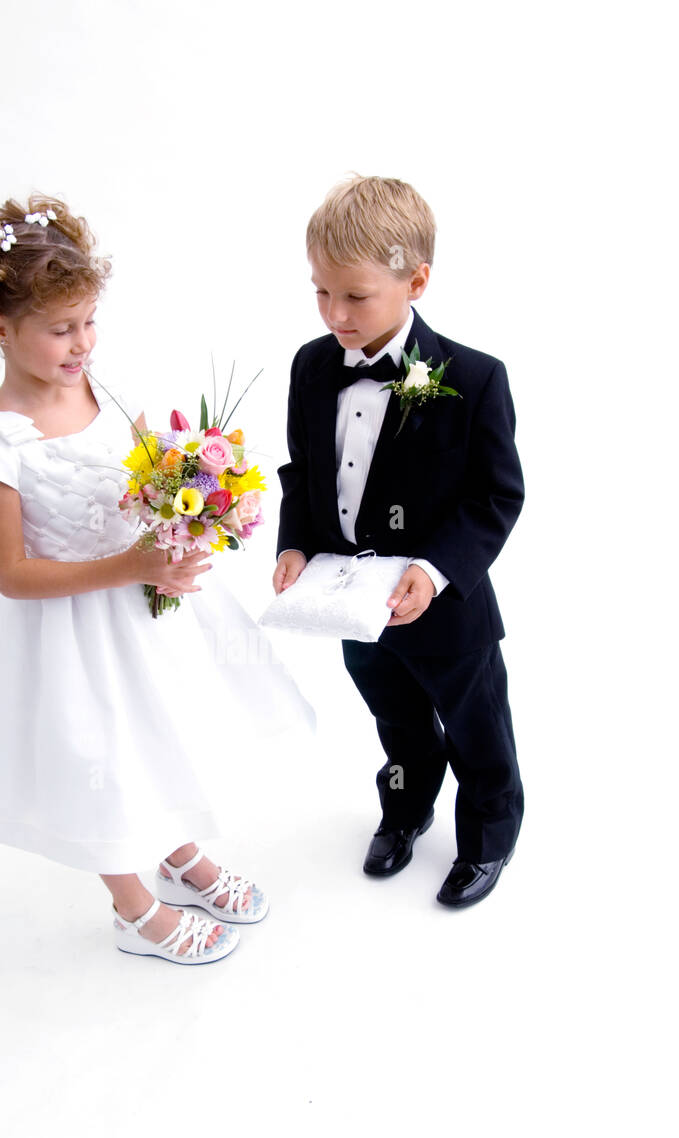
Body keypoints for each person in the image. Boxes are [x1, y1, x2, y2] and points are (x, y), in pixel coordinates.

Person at [0, 194, 312, 963]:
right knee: (100, 758)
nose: (82, 343)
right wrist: (131, 563)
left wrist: (187, 501)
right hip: (70, 627)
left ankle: (176, 849)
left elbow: (142, 473)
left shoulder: (103, 386)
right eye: (61, 330)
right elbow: (12, 574)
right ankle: (133, 909)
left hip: (146, 604)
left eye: (89, 321)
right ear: (0, 329)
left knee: (161, 731)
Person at [273, 176, 524, 908]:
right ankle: (405, 809)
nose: (335, 314)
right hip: (350, 603)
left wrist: (434, 569)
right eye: (321, 293)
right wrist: (296, 545)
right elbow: (300, 469)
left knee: (476, 725)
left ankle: (486, 836)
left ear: (414, 280)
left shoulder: (473, 379)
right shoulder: (311, 366)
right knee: (396, 721)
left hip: (443, 609)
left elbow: (495, 497)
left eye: (355, 296)